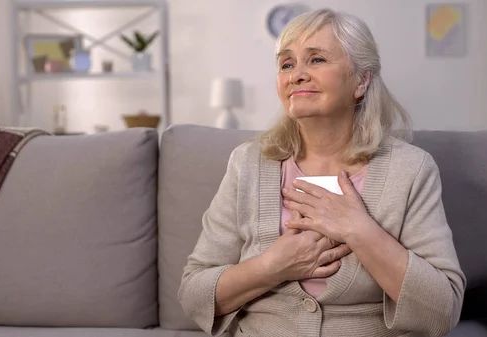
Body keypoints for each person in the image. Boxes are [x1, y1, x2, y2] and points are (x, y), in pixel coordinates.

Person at [178, 8, 466, 337]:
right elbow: (193, 293)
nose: (296, 75)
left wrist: (360, 231)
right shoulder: (248, 164)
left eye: (316, 59)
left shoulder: (411, 169)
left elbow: (442, 310)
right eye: (287, 63)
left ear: (362, 80)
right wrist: (270, 268)